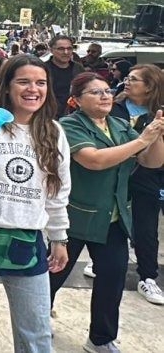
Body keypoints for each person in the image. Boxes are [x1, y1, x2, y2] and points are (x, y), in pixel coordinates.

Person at [0, 54, 72, 353]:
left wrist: (59, 237)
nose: (32, 89)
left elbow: (57, 190)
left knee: (35, 335)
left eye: (40, 82)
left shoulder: (53, 132)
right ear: (6, 85)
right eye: (23, 81)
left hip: (26, 245)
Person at [49, 73, 164, 353]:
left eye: (106, 91)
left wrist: (157, 134)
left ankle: (101, 338)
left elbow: (151, 162)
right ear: (76, 100)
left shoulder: (119, 125)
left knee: (112, 278)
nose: (105, 96)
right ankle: (38, 318)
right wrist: (141, 141)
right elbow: (94, 160)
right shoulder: (68, 126)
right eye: (95, 92)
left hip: (112, 218)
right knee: (53, 276)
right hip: (75, 217)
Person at [103, 65, 164, 305]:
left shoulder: (158, 113)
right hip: (112, 174)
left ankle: (148, 276)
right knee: (109, 221)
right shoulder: (113, 107)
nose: (127, 82)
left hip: (147, 177)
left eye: (134, 80)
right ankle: (101, 261)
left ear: (149, 87)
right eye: (127, 78)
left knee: (146, 227)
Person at [44, 35, 85, 116]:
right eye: (61, 49)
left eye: (69, 48)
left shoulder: (78, 69)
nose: (66, 52)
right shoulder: (43, 69)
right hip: (48, 114)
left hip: (73, 115)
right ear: (51, 50)